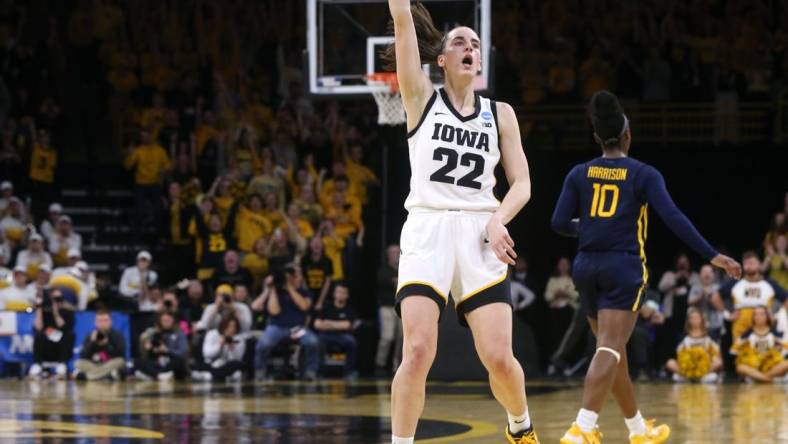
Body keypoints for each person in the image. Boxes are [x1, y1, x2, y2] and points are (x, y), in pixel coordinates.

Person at [383, 2, 537, 442]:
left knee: (499, 358)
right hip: (428, 226)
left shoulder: (500, 113)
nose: (469, 48)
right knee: (416, 351)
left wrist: (497, 220)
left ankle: (521, 426)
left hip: (479, 232)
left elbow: (522, 183)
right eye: (458, 42)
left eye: (474, 44)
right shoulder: (420, 97)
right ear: (442, 60)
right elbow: (401, 18)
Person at [551, 90, 740, 443]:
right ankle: (582, 428)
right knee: (609, 346)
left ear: (597, 137)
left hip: (585, 266)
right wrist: (712, 255)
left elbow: (560, 222)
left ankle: (638, 430)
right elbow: (674, 218)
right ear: (628, 135)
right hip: (622, 265)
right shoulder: (643, 173)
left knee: (613, 349)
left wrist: (590, 227)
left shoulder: (579, 172)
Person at [253, 264, 320, 381]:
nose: (294, 277)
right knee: (263, 344)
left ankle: (310, 372)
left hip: (296, 329)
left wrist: (289, 287)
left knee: (312, 341)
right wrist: (271, 289)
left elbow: (304, 306)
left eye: (297, 274)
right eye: (292, 274)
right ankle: (260, 371)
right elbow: (274, 312)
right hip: (277, 327)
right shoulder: (276, 291)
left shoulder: (304, 292)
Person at [712, 251, 788, 341]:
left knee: (764, 352)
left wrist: (777, 316)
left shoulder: (769, 283)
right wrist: (727, 315)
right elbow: (715, 297)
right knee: (741, 352)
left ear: (759, 264)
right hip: (741, 323)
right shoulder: (735, 282)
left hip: (764, 322)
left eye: (752, 263)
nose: (749, 266)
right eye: (746, 263)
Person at [732, 306, 788, 383]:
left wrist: (778, 349)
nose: (759, 317)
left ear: (767, 316)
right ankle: (769, 379)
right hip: (753, 366)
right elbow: (733, 350)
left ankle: (760, 378)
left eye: (762, 314)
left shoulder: (774, 332)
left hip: (771, 365)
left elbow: (785, 346)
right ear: (753, 317)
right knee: (740, 367)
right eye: (756, 314)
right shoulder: (748, 333)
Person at [665, 308, 722, 383]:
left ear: (702, 319)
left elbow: (716, 352)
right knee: (670, 362)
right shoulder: (683, 336)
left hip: (705, 366)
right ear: (688, 320)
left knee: (718, 362)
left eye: (697, 317)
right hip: (687, 366)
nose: (694, 320)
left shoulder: (710, 335)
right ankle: (689, 376)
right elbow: (679, 354)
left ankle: (699, 376)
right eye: (692, 318)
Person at [313, 283, 358, 379]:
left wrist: (327, 322)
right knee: (317, 341)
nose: (340, 294)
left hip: (343, 336)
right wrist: (338, 325)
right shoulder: (326, 307)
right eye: (338, 292)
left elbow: (347, 325)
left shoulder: (349, 309)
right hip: (325, 335)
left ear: (347, 295)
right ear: (334, 294)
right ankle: (319, 371)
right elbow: (317, 324)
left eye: (343, 293)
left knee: (351, 342)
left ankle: (349, 372)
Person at [29, 287, 75, 379]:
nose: (56, 301)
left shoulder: (67, 312)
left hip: (61, 347)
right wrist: (39, 309)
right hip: (46, 346)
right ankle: (37, 364)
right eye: (54, 299)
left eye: (58, 299)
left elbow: (64, 327)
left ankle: (62, 364)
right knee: (38, 335)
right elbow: (38, 328)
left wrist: (55, 312)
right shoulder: (43, 312)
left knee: (68, 335)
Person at [135, 310, 189, 381]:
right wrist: (151, 348)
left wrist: (167, 350)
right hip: (158, 362)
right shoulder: (156, 333)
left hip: (171, 361)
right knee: (138, 361)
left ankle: (153, 375)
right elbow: (151, 351)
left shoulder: (179, 333)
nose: (166, 323)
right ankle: (159, 375)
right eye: (164, 321)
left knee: (180, 361)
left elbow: (182, 352)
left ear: (173, 320)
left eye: (168, 320)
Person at [74, 310, 127, 381]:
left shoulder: (117, 335)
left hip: (110, 364)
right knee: (78, 363)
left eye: (105, 320)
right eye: (99, 321)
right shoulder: (90, 335)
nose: (102, 323)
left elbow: (121, 355)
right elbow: (83, 356)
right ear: (95, 323)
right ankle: (107, 375)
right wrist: (92, 342)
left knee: (121, 361)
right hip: (94, 365)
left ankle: (88, 376)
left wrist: (107, 345)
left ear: (111, 322)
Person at [191, 314, 246, 382]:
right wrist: (219, 345)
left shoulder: (238, 339)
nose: (232, 329)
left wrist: (232, 349)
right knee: (207, 374)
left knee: (237, 374)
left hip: (227, 366)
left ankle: (218, 374)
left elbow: (237, 360)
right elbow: (207, 354)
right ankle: (217, 374)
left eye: (234, 327)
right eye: (229, 326)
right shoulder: (213, 334)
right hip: (211, 364)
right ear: (224, 326)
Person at [375, 244, 403, 374]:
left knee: (401, 337)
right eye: (393, 252)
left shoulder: (405, 269)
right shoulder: (384, 270)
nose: (396, 254)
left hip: (402, 308)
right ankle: (380, 364)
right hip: (387, 307)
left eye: (398, 252)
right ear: (388, 255)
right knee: (387, 337)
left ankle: (397, 365)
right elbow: (385, 281)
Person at [544, 257, 579, 357]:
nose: (563, 266)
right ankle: (554, 359)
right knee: (555, 336)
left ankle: (567, 360)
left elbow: (577, 295)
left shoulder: (573, 279)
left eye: (565, 264)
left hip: (570, 311)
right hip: (555, 312)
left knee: (568, 336)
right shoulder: (553, 280)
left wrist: (567, 294)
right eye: (561, 264)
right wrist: (556, 294)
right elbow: (547, 296)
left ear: (569, 266)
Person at [688, 265, 724, 340]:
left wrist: (711, 296)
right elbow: (690, 302)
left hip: (715, 325)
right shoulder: (695, 287)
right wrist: (701, 295)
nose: (707, 274)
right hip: (698, 325)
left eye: (709, 272)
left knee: (713, 349)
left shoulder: (718, 288)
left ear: (713, 275)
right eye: (704, 272)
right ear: (700, 274)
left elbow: (721, 308)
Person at [300, 236, 333, 310]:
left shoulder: (328, 261)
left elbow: (327, 283)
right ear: (310, 245)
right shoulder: (304, 260)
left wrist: (320, 301)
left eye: (319, 242)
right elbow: (303, 280)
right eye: (314, 242)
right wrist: (308, 297)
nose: (316, 244)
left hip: (323, 294)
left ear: (322, 246)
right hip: (308, 293)